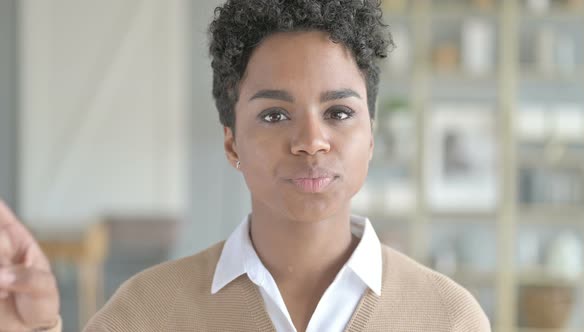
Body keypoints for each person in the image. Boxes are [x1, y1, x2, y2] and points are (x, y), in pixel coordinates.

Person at [0, 0, 491, 331]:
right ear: (231, 143)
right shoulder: (144, 312)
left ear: (372, 136)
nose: (311, 141)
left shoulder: (449, 318)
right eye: (275, 114)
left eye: (339, 112)